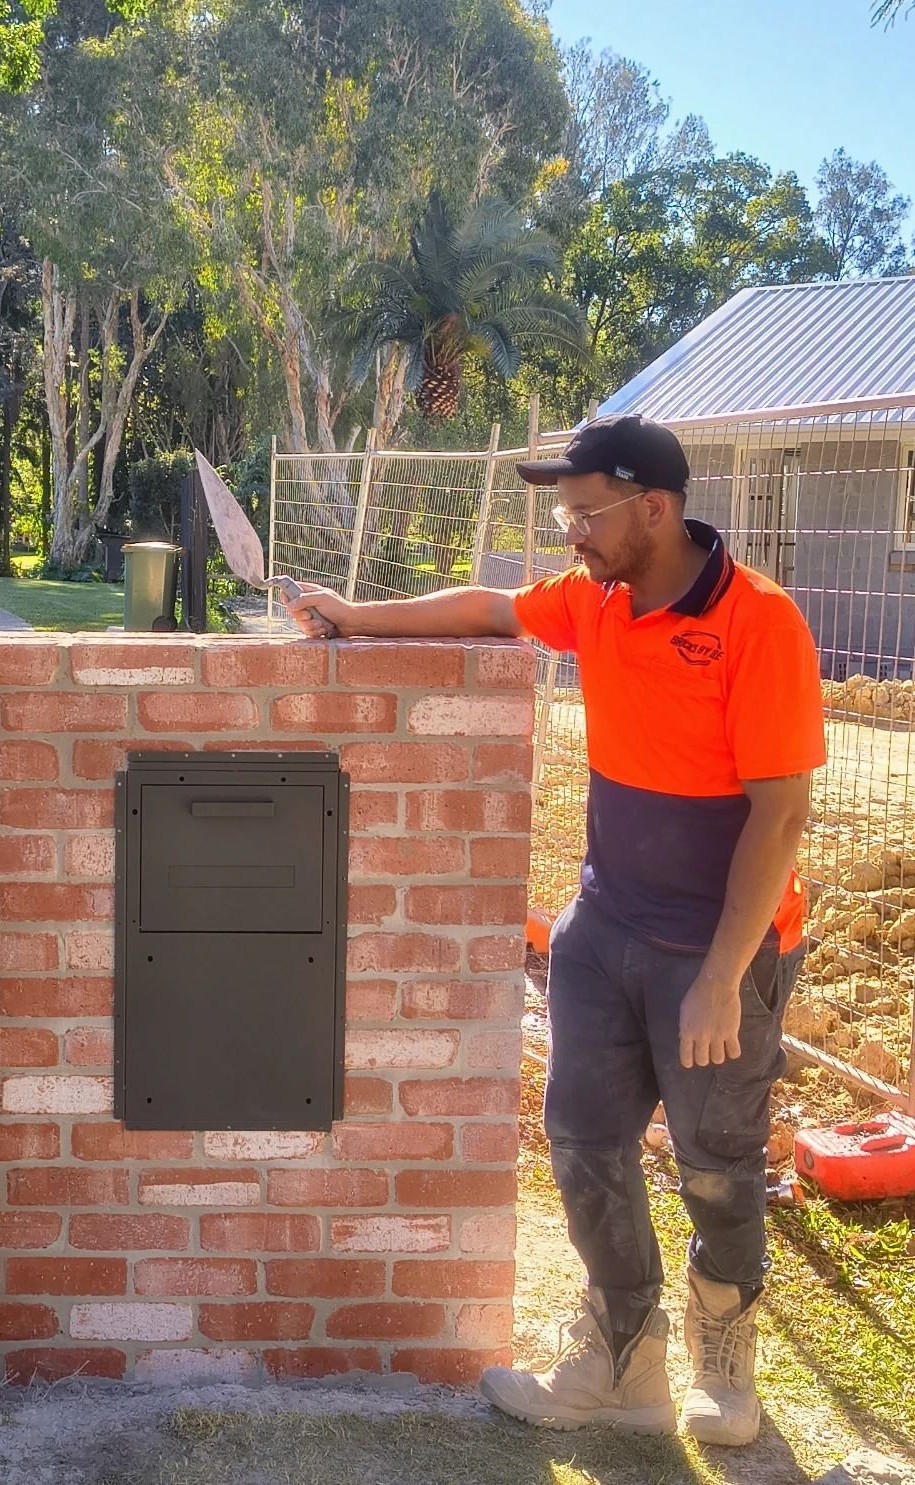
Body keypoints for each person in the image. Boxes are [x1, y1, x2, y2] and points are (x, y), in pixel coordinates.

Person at [283, 414, 825, 1446]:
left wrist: (720, 976)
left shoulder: (760, 623)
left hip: (719, 953)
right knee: (582, 1140)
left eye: (585, 516)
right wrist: (354, 614)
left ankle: (726, 1364)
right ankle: (621, 1358)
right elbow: (493, 607)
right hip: (604, 930)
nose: (569, 537)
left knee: (717, 1161)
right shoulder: (597, 599)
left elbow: (780, 813)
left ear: (654, 510)